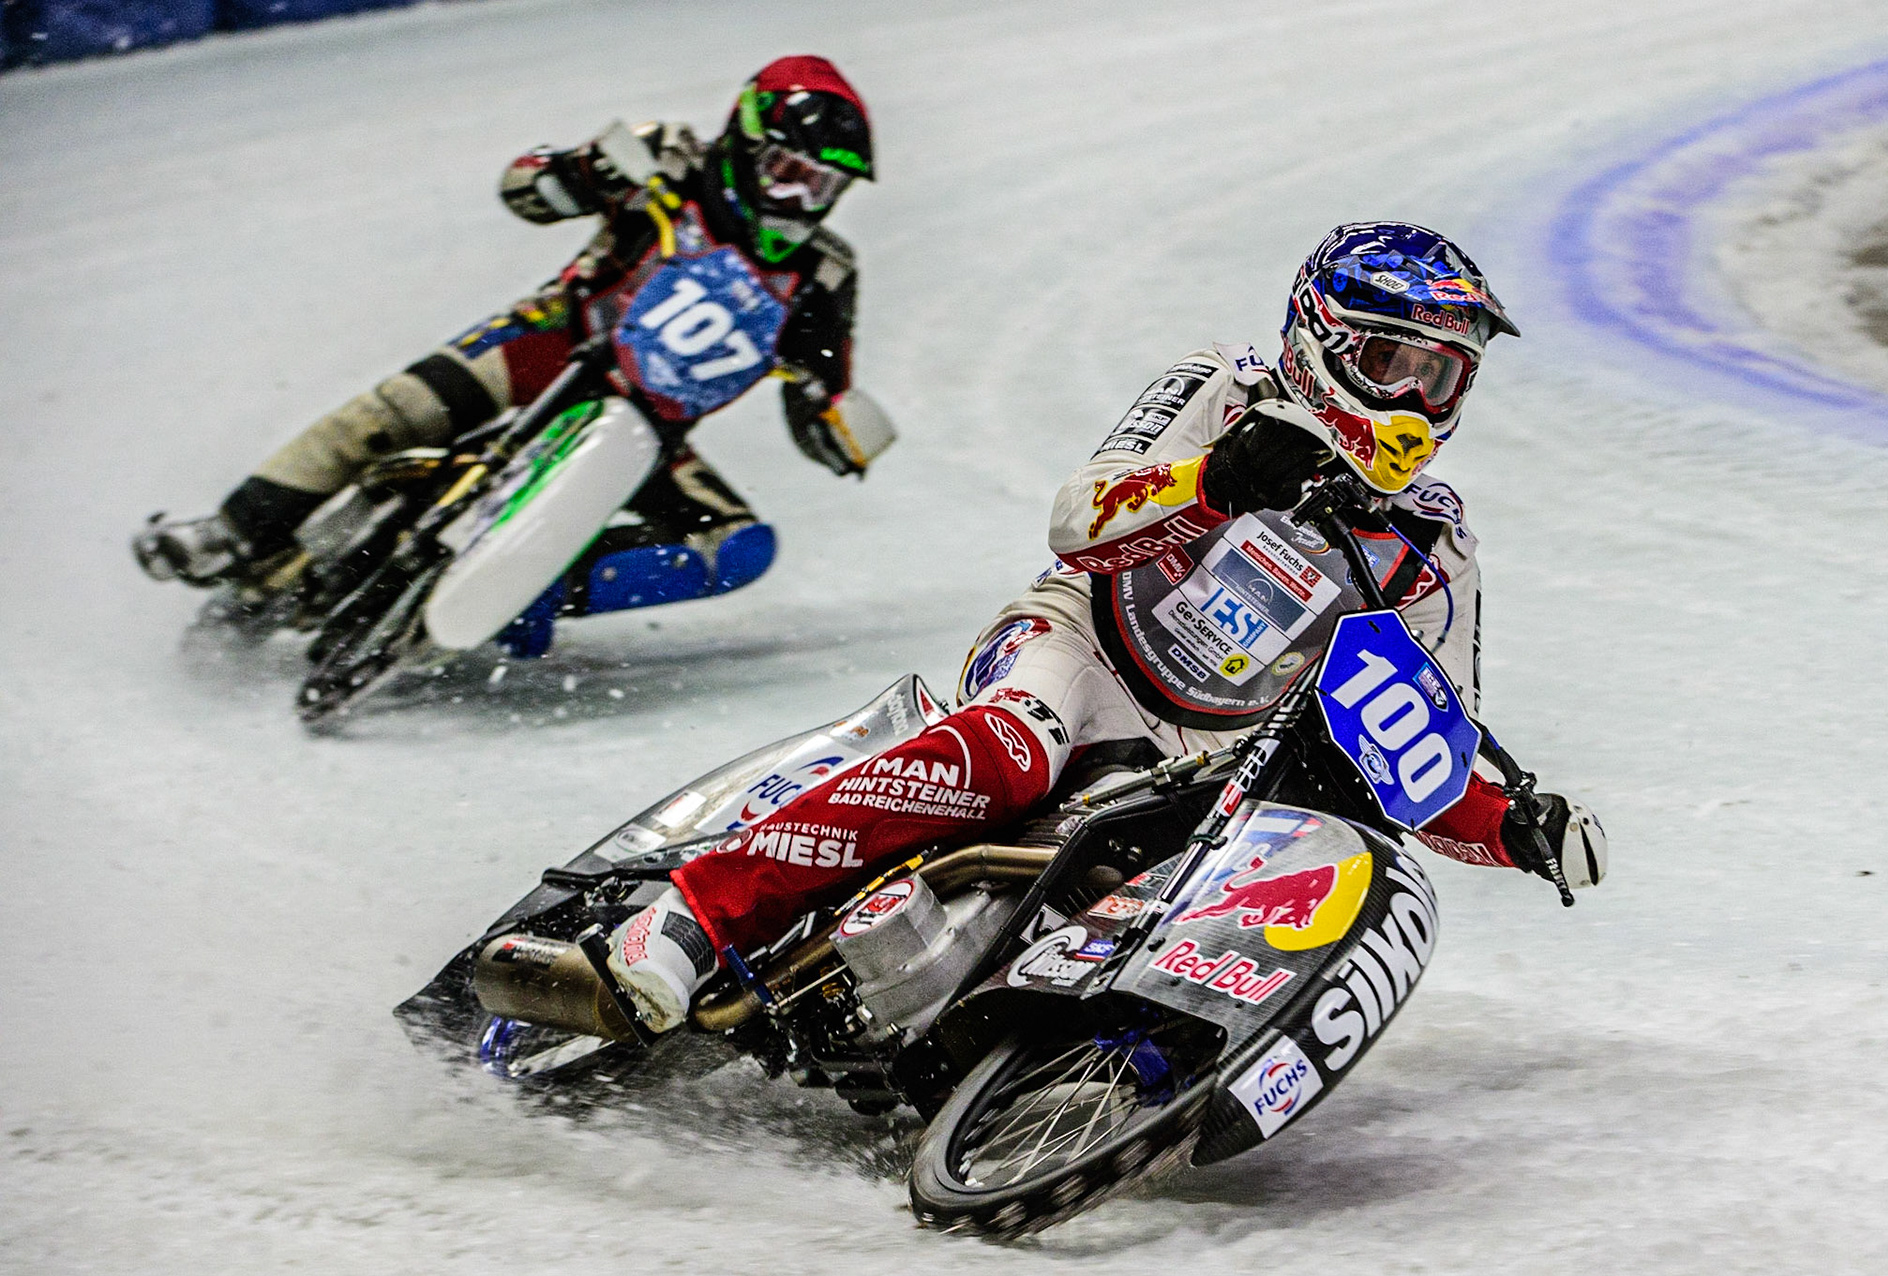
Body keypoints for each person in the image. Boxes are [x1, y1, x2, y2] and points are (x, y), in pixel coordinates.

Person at [598, 221, 1610, 1032]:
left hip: (1212, 749)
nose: (1415, 401)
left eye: (1444, 378)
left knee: (1239, 870)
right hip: (1083, 644)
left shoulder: (1435, 545)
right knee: (1013, 755)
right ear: (1325, 340)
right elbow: (1078, 520)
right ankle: (698, 911)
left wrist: (1513, 826)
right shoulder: (1225, 385)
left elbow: (1421, 739)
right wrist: (1211, 482)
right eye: (1394, 362)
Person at [135, 56, 888, 654]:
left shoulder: (826, 275)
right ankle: (229, 532)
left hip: (651, 433)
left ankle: (535, 586)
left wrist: (833, 427)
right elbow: (525, 189)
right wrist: (586, 171)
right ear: (746, 140)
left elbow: (821, 384)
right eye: (789, 172)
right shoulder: (671, 158)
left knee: (737, 547)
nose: (800, 198)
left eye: (822, 184)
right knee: (396, 412)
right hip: (553, 340)